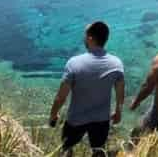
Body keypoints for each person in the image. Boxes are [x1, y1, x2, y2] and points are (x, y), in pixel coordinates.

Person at [49, 21, 125, 157]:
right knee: (98, 151)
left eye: (85, 35)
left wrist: (53, 114)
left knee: (66, 150)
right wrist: (118, 112)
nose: (84, 38)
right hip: (101, 120)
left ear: (90, 39)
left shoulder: (74, 63)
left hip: (75, 120)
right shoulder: (117, 64)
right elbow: (120, 93)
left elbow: (61, 97)